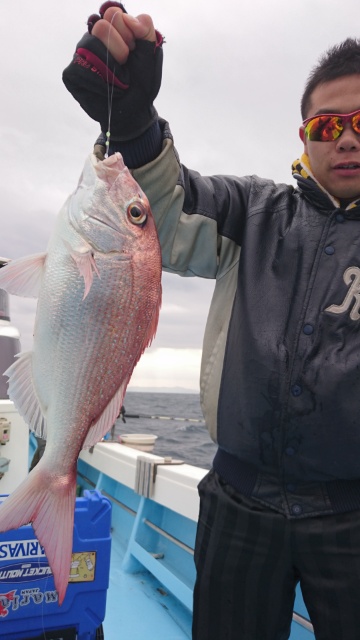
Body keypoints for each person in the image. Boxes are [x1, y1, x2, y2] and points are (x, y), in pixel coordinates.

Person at [63, 5, 360, 639]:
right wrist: (136, 124)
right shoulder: (254, 210)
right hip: (237, 499)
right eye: (329, 123)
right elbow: (164, 209)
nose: (348, 138)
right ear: (303, 136)